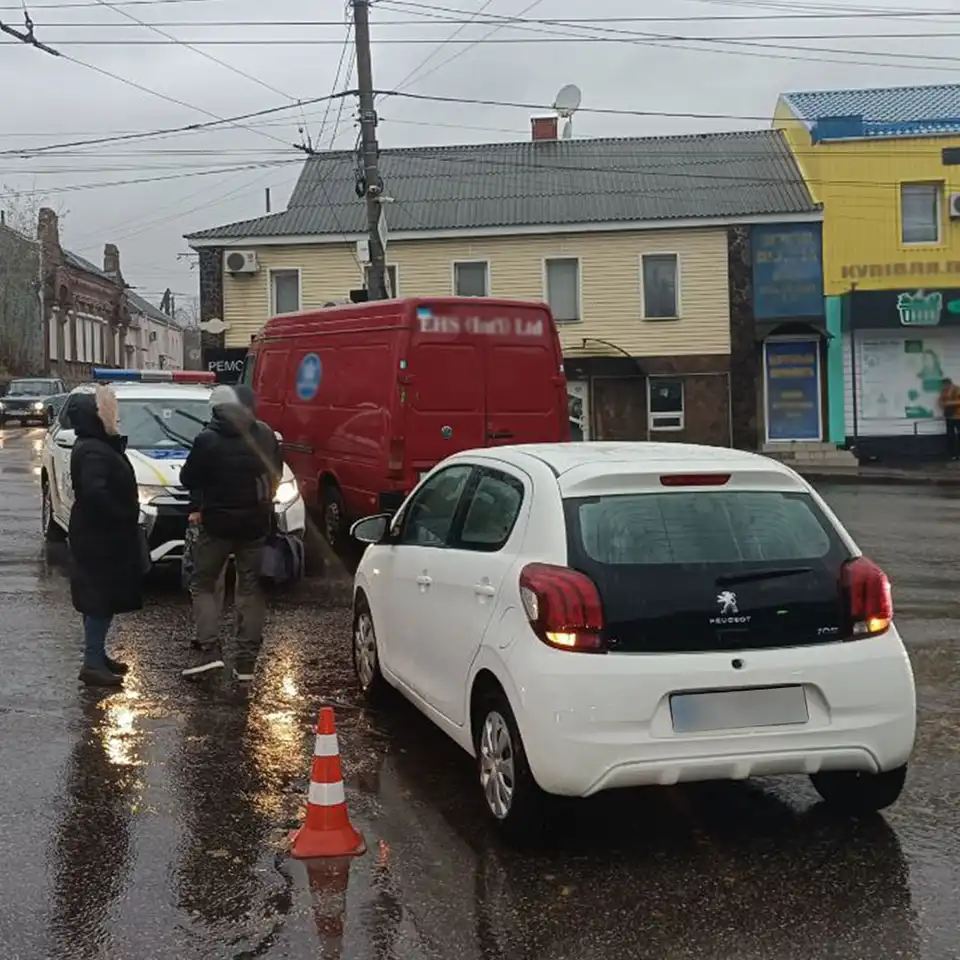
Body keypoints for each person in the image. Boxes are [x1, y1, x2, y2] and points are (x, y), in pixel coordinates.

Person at [180, 384, 280, 681]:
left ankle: (210, 652)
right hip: (255, 525)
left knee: (204, 583)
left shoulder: (207, 439)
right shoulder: (266, 435)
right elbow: (275, 475)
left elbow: (188, 478)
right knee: (251, 588)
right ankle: (246, 663)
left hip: (217, 525)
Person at [68, 387, 144, 687]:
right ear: (97, 416)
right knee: (98, 599)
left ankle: (97, 655)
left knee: (101, 597)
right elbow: (95, 494)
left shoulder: (97, 446)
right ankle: (92, 662)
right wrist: (122, 515)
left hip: (100, 535)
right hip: (99, 537)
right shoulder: (93, 450)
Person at [939, 377, 960, 460]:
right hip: (949, 416)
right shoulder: (943, 392)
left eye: (946, 386)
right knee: (950, 436)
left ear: (949, 384)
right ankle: (953, 455)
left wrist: (949, 403)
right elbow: (940, 401)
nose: (944, 387)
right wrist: (942, 404)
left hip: (958, 416)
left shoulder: (957, 390)